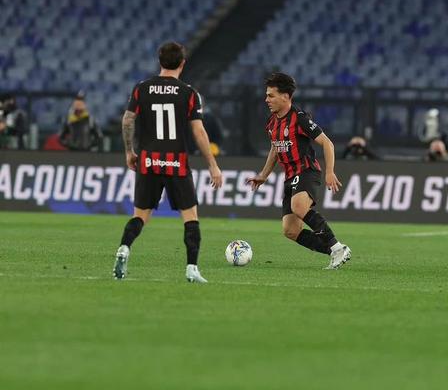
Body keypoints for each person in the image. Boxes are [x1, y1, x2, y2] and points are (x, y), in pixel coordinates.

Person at [114, 42, 223, 283]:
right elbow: (199, 131)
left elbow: (127, 120)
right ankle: (192, 268)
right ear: (182, 63)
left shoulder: (141, 88)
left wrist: (129, 151)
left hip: (148, 161)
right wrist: (212, 165)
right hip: (177, 163)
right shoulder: (189, 93)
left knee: (140, 215)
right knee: (190, 217)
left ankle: (124, 247)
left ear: (159, 61)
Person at [246, 72, 351, 269]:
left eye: (271, 95)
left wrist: (330, 172)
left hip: (306, 171)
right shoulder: (271, 122)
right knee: (290, 230)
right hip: (289, 177)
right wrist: (263, 175)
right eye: (267, 95)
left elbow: (327, 143)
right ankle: (335, 251)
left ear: (285, 96)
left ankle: (337, 247)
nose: (266, 99)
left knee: (299, 206)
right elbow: (275, 148)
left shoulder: (300, 118)